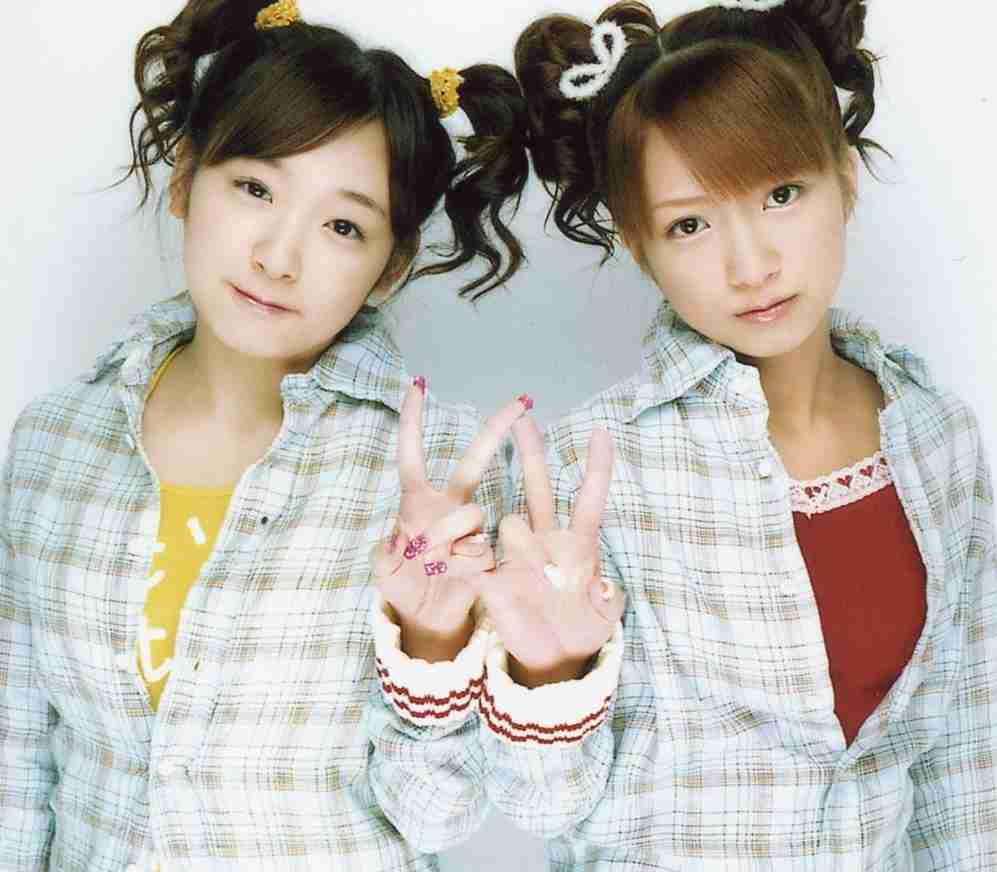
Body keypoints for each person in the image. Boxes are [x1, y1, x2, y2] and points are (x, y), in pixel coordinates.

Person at [370, 1, 997, 869]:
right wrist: (550, 673)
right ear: (638, 246)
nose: (750, 265)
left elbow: (962, 764)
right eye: (690, 224)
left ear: (844, 179)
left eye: (781, 194)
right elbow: (534, 808)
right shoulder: (592, 468)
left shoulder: (936, 438)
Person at [0, 0, 534, 868]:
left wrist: (429, 643)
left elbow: (440, 821)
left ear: (390, 268)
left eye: (343, 226)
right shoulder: (55, 442)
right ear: (185, 178)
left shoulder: (443, 477)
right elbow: (16, 762)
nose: (279, 258)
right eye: (255, 189)